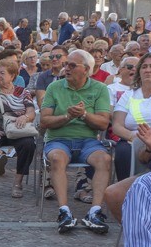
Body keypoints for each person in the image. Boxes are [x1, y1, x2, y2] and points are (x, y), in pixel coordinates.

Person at [40, 49, 111, 233]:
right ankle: (64, 211)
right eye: (66, 64)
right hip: (59, 140)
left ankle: (95, 212)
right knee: (57, 158)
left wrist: (84, 115)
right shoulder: (54, 87)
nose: (66, 68)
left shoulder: (100, 88)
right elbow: (44, 121)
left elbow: (103, 124)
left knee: (104, 159)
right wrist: (67, 116)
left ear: (86, 69)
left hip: (88, 140)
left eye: (72, 65)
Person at [0, 59, 37, 199]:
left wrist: (25, 118)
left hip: (18, 129)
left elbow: (32, 112)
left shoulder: (23, 91)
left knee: (28, 144)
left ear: (12, 76)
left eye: (2, 73)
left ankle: (18, 181)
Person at [111, 51, 151, 180]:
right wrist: (134, 138)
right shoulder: (128, 95)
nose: (148, 70)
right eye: (144, 66)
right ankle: (125, 193)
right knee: (123, 152)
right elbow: (117, 126)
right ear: (139, 71)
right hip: (131, 138)